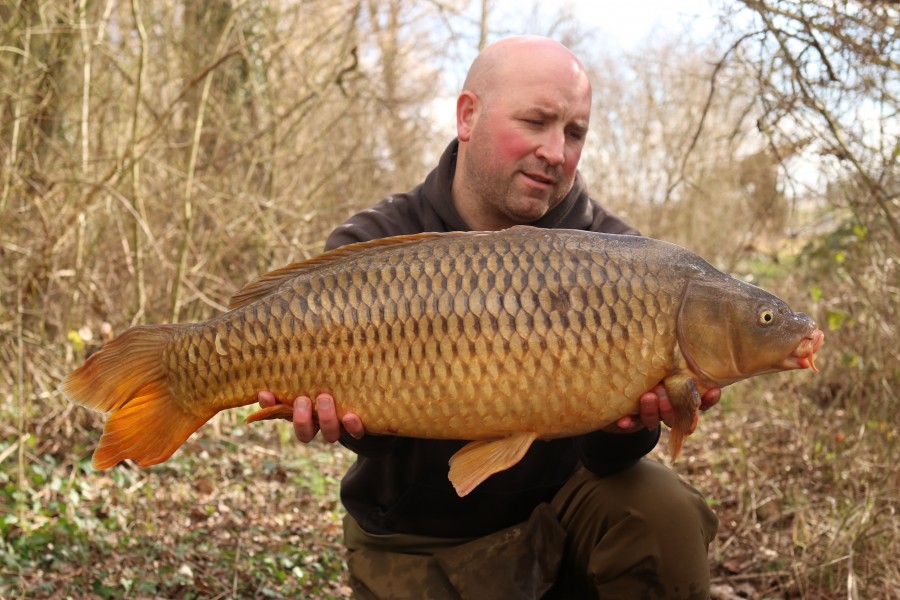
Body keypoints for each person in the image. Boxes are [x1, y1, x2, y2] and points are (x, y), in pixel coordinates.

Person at [259, 35, 720, 599]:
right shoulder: (376, 243)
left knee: (660, 506)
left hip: (564, 515)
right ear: (468, 115)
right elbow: (374, 443)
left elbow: (612, 461)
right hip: (421, 532)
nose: (556, 151)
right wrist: (356, 427)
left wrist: (628, 424)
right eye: (536, 122)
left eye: (574, 133)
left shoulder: (623, 259)